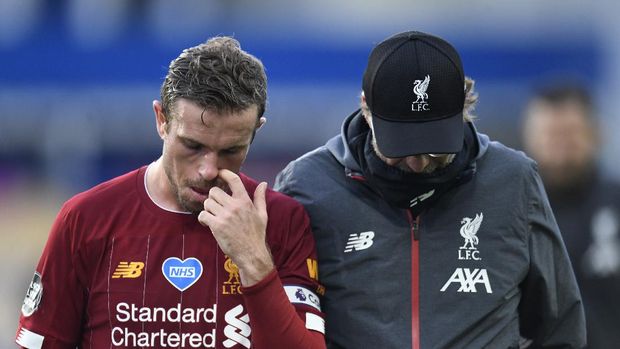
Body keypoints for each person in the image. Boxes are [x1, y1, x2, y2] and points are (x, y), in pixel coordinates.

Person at [275, 31, 586, 348]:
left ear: (465, 106)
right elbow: (277, 321)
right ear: (367, 108)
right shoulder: (307, 185)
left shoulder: (514, 180)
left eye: (435, 145)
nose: (418, 162)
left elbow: (560, 327)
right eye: (401, 145)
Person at [16, 36, 326, 349]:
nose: (208, 169)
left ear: (255, 131)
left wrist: (254, 261)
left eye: (231, 150)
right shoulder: (85, 219)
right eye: (193, 146)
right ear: (162, 120)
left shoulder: (283, 222)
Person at [522, 84, 620, 349]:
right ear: (529, 137)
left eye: (571, 135)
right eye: (551, 136)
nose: (560, 149)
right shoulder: (508, 211)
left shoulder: (615, 203)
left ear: (597, 134)